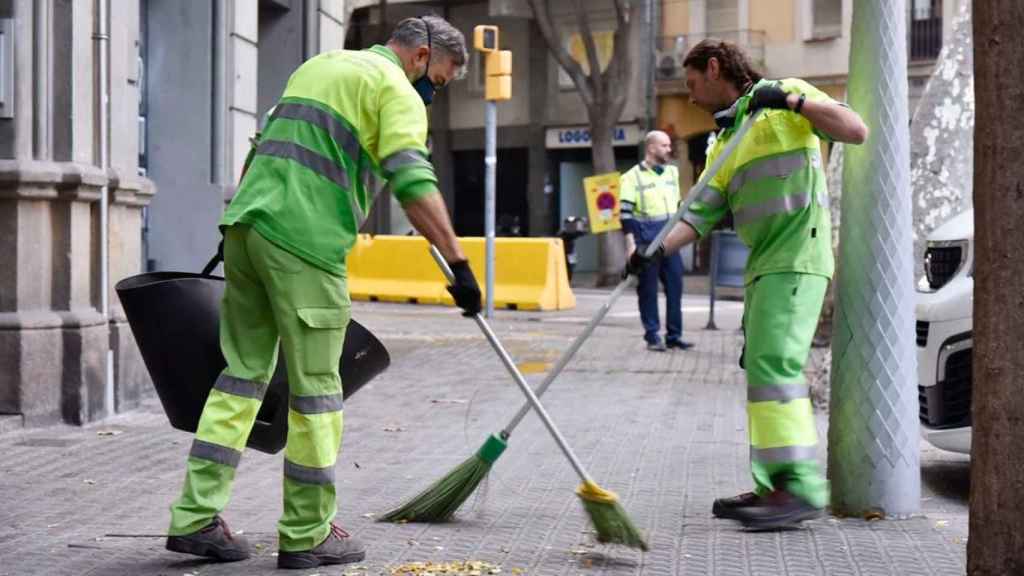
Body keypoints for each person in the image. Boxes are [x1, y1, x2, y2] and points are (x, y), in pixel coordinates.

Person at [164, 16, 481, 569]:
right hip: (305, 243)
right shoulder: (395, 90)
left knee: (240, 378)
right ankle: (307, 532)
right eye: (441, 80)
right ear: (421, 56)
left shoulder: (319, 65)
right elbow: (413, 182)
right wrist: (459, 263)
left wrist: (244, 222)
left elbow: (261, 149)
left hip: (247, 228)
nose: (434, 92)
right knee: (316, 393)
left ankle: (195, 517)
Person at [626, 39, 868, 529]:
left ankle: (797, 486)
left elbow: (855, 130)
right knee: (762, 375)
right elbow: (699, 215)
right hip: (763, 269)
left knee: (775, 367)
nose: (690, 97)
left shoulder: (786, 98)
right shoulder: (726, 139)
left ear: (716, 69)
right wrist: (650, 255)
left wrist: (790, 101)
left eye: (693, 84)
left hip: (798, 259)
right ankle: (773, 485)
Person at [619, 131, 692, 352]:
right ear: (651, 148)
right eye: (665, 145)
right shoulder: (631, 177)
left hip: (670, 241)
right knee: (648, 290)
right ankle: (652, 336)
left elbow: (677, 205)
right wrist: (631, 246)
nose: (669, 149)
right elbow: (625, 215)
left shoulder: (672, 173)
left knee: (675, 288)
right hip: (646, 243)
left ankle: (674, 335)